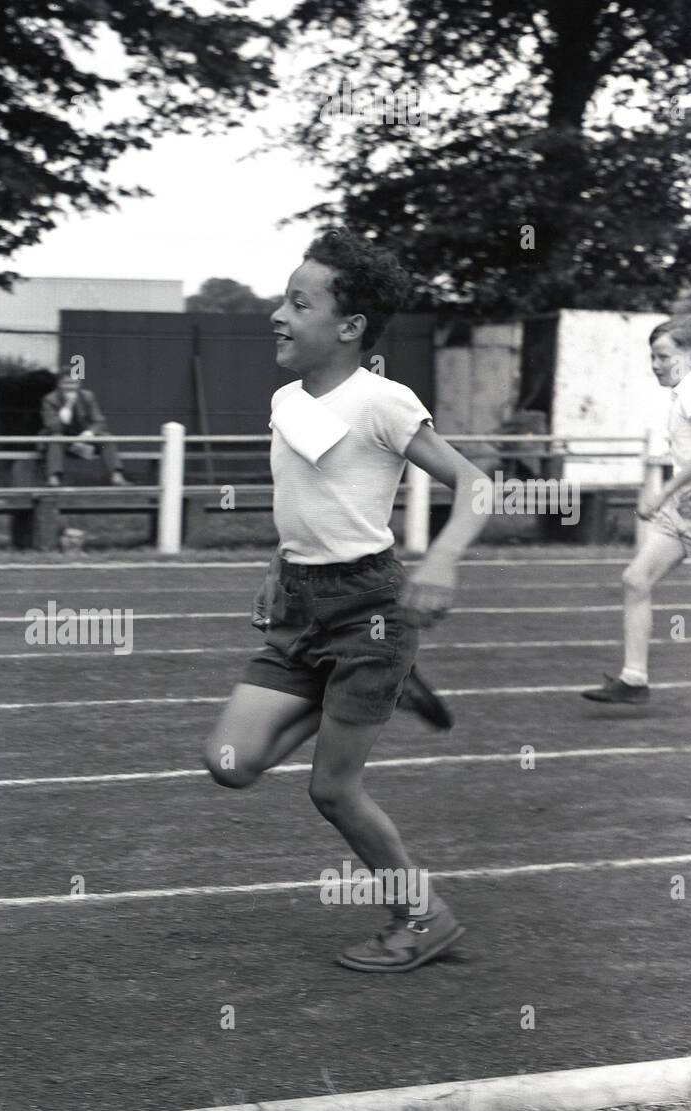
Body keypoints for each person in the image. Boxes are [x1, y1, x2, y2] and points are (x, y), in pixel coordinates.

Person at [202, 228, 489, 973]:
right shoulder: (284, 401)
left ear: (350, 327)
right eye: (281, 299)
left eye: (299, 303)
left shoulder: (384, 402)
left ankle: (421, 916)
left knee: (332, 791)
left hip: (370, 610)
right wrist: (278, 565)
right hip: (301, 608)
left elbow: (480, 486)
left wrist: (444, 563)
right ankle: (379, 688)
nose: (279, 314)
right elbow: (309, 496)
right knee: (230, 763)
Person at [583, 315, 691, 704]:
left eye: (663, 356)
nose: (655, 364)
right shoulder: (689, 391)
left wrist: (663, 491)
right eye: (653, 356)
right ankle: (633, 680)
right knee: (636, 579)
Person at [40, 374, 126, 486]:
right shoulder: (50, 399)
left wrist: (89, 433)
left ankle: (116, 475)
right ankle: (54, 477)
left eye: (74, 383)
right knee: (56, 437)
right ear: (60, 384)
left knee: (106, 438)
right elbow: (52, 427)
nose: (71, 387)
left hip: (84, 440)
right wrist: (68, 406)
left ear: (79, 384)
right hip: (61, 443)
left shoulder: (88, 396)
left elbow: (99, 421)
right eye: (67, 383)